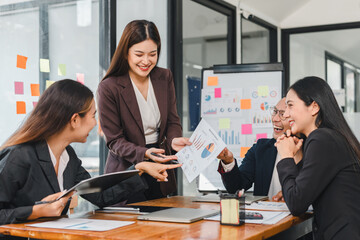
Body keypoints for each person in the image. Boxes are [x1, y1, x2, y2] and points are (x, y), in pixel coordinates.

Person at [0, 79, 181, 225]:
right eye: (93, 116)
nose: (96, 123)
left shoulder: (68, 156)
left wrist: (139, 169)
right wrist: (35, 211)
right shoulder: (18, 157)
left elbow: (100, 195)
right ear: (74, 120)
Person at [97, 20, 190, 203]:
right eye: (139, 54)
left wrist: (174, 139)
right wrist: (145, 153)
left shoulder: (164, 77)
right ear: (126, 52)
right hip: (128, 168)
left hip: (160, 166)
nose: (146, 61)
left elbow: (172, 120)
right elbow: (114, 140)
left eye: (152, 54)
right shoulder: (109, 87)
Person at [275, 76, 360, 239]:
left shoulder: (321, 139)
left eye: (290, 106)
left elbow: (296, 203)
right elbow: (305, 190)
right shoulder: (331, 137)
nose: (285, 114)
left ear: (314, 107)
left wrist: (285, 157)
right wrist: (296, 156)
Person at [217, 97, 302, 201]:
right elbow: (236, 187)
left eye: (282, 114)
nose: (275, 118)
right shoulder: (260, 149)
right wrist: (228, 161)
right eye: (275, 112)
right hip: (267, 214)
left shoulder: (310, 149)